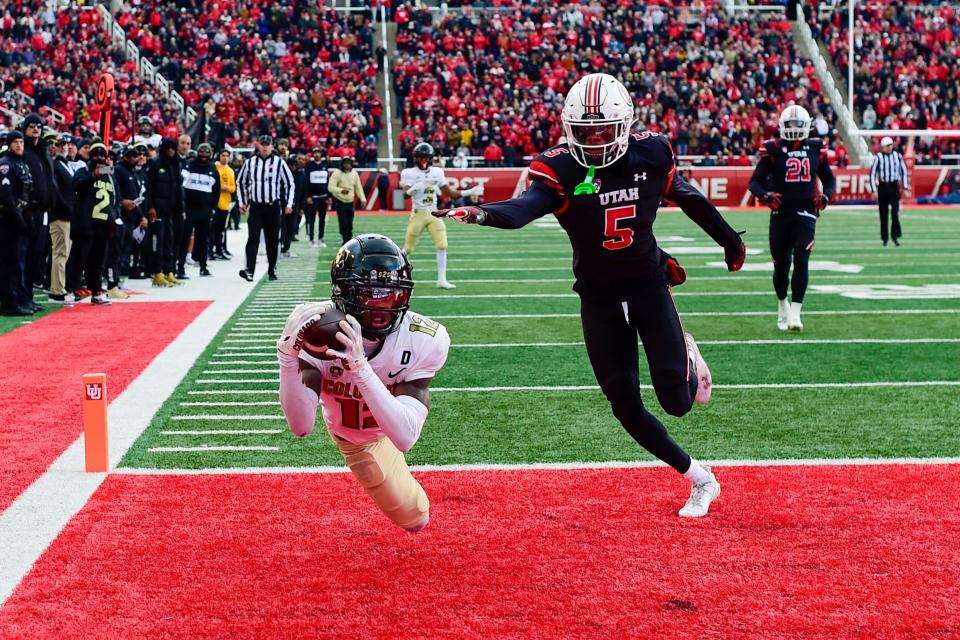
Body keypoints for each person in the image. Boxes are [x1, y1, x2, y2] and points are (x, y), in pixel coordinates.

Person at [433, 73, 746, 518]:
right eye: (585, 132)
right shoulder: (558, 168)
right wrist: (483, 212)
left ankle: (689, 353)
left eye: (604, 130)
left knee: (677, 402)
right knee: (625, 406)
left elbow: (688, 196)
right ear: (568, 129)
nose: (596, 141)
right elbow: (524, 209)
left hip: (647, 284)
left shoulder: (651, 152)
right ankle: (701, 478)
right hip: (597, 295)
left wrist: (730, 241)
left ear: (626, 124)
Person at [277, 234, 450, 532]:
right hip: (354, 437)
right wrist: (287, 358)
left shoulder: (425, 339)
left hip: (388, 427)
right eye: (370, 292)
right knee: (415, 516)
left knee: (416, 519)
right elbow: (301, 426)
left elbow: (405, 437)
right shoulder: (318, 334)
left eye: (391, 292)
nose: (383, 304)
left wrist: (359, 367)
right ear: (343, 293)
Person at [748, 105, 836, 332]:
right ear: (782, 126)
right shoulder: (773, 149)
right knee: (781, 266)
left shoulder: (816, 147)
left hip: (806, 212)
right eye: (791, 125)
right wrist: (765, 195)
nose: (795, 129)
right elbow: (755, 182)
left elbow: (830, 180)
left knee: (802, 259)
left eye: (799, 125)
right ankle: (782, 305)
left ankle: (796, 312)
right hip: (780, 212)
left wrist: (826, 196)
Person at [400, 142, 484, 289]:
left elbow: (450, 193)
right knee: (407, 249)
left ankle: (441, 280)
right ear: (416, 157)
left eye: (427, 157)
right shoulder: (409, 173)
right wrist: (414, 188)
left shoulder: (437, 172)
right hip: (418, 213)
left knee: (442, 245)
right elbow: (405, 195)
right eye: (422, 156)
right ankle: (398, 276)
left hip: (433, 212)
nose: (424, 159)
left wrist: (470, 192)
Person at [236, 134, 295, 282]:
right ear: (258, 145)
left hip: (272, 206)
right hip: (256, 206)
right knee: (253, 238)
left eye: (267, 144)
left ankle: (272, 269)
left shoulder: (279, 163)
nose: (264, 147)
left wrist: (288, 204)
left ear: (271, 146)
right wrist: (242, 202)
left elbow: (289, 183)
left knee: (272, 240)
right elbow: (241, 182)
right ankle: (249, 270)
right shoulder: (250, 162)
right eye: (262, 144)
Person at [65, 142, 118, 305]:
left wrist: (114, 220)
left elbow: (115, 199)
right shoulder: (83, 171)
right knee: (78, 259)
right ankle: (70, 290)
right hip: (85, 222)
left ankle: (95, 291)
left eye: (102, 155)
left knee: (98, 260)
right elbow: (76, 186)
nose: (99, 158)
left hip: (103, 224)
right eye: (95, 154)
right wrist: (92, 176)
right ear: (90, 156)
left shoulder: (110, 175)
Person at [0, 131, 35, 316]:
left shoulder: (21, 164)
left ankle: (20, 298)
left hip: (22, 216)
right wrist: (19, 219)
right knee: (10, 262)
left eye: (21, 142)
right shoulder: (6, 164)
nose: (19, 145)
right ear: (9, 144)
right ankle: (9, 303)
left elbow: (26, 192)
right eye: (15, 142)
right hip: (9, 219)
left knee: (20, 262)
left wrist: (28, 214)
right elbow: (6, 196)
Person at [143, 137, 185, 286]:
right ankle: (157, 272)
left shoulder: (176, 164)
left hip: (171, 210)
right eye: (168, 148)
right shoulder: (155, 164)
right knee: (157, 242)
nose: (170, 151)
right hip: (157, 211)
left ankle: (169, 271)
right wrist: (150, 207)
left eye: (173, 148)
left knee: (169, 241)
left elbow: (178, 187)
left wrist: (180, 206)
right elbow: (147, 188)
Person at [179, 143, 220, 277]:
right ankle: (180, 268)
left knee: (203, 240)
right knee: (184, 239)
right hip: (189, 209)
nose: (204, 155)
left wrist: (212, 208)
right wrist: (183, 206)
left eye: (207, 153)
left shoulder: (213, 169)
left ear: (211, 154)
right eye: (201, 152)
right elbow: (182, 185)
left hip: (205, 210)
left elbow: (216, 191)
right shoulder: (189, 166)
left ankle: (203, 266)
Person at [49, 133, 77, 302]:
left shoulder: (65, 164)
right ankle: (57, 290)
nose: (65, 146)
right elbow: (56, 191)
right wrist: (66, 208)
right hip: (60, 215)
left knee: (64, 253)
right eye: (61, 144)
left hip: (68, 214)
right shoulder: (55, 164)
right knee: (60, 252)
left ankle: (60, 287)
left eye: (67, 144)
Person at [869, 136, 909, 247]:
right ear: (883, 147)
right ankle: (885, 238)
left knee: (895, 212)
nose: (890, 147)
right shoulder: (878, 158)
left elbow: (903, 171)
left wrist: (905, 187)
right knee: (883, 214)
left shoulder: (898, 156)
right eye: (888, 145)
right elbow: (872, 174)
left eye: (891, 145)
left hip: (894, 186)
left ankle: (895, 236)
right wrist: (874, 190)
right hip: (883, 186)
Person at [328, 156, 365, 246]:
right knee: (343, 222)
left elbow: (358, 187)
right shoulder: (337, 173)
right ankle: (344, 240)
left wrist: (363, 199)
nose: (347, 165)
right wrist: (341, 190)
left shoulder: (354, 173)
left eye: (349, 163)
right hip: (340, 201)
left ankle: (349, 240)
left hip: (350, 202)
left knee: (350, 223)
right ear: (342, 164)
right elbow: (330, 187)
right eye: (345, 163)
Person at [303, 148, 330, 248]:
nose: (317, 154)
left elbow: (327, 181)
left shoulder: (325, 165)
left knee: (322, 219)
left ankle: (321, 238)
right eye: (315, 153)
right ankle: (311, 239)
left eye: (318, 152)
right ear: (313, 154)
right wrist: (308, 196)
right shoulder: (309, 166)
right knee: (312, 219)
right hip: (313, 198)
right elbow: (306, 183)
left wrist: (328, 196)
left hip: (323, 197)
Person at [213, 149, 236, 259]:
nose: (225, 158)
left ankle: (219, 249)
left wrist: (227, 188)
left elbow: (233, 187)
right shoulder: (215, 168)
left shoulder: (231, 171)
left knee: (222, 229)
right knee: (213, 228)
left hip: (225, 204)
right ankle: (211, 250)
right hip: (214, 203)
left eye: (227, 156)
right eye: (223, 155)